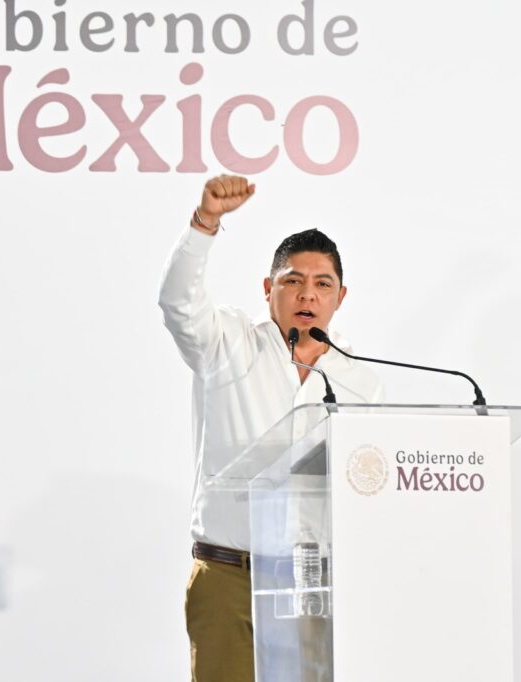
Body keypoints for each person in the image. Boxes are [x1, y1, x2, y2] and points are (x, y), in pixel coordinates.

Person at [158, 174, 384, 682]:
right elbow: (177, 304)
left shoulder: (361, 382)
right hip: (229, 577)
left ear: (340, 297)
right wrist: (206, 222)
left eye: (322, 284)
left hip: (314, 584)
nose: (308, 294)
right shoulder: (227, 344)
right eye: (292, 281)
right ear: (268, 289)